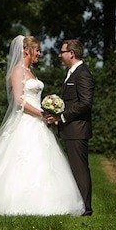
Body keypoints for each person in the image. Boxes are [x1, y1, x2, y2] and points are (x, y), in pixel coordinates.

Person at [0, 35, 85, 220]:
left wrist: (46, 110)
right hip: (26, 122)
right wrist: (41, 113)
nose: (39, 54)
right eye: (37, 50)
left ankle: (47, 202)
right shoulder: (17, 71)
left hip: (39, 123)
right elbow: (19, 101)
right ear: (27, 50)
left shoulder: (31, 72)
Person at [46, 39, 94, 216]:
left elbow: (86, 103)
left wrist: (62, 116)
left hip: (77, 129)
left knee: (80, 168)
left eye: (62, 52)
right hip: (71, 129)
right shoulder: (71, 73)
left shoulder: (82, 74)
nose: (60, 55)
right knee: (75, 168)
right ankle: (79, 204)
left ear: (71, 54)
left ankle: (85, 209)